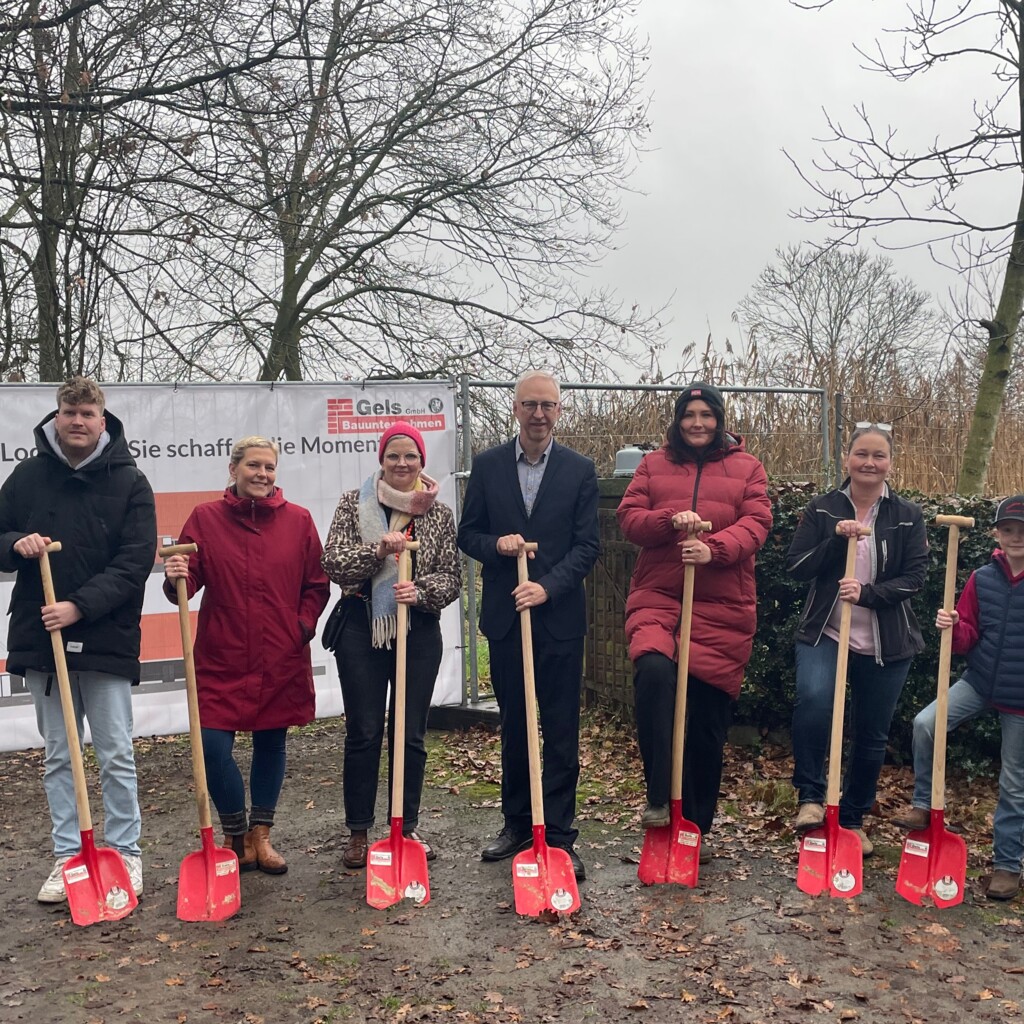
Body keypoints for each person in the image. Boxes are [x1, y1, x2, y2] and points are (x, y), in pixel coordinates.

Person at [0, 376, 156, 903]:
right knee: (60, 756)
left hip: (104, 636)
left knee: (114, 752)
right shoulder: (27, 476)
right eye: (70, 412)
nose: (78, 421)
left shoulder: (131, 482)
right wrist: (15, 543)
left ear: (102, 418)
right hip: (43, 638)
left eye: (88, 413)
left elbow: (135, 561)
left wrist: (79, 606)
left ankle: (126, 854)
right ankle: (68, 858)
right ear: (57, 415)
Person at [457, 371, 600, 882]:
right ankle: (517, 823)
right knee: (515, 725)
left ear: (559, 411)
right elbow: (467, 533)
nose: (538, 414)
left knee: (561, 729)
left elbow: (588, 546)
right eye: (529, 405)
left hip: (559, 619)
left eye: (548, 405)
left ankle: (558, 835)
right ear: (515, 408)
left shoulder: (580, 470)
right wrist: (496, 545)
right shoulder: (489, 465)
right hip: (505, 619)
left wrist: (548, 587)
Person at [617, 382, 772, 853]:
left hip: (723, 604)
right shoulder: (653, 464)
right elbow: (629, 518)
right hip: (659, 595)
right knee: (654, 671)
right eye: (689, 414)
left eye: (706, 414)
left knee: (706, 723)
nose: (698, 423)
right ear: (678, 420)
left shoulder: (748, 467)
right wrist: (669, 520)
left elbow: (758, 521)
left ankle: (697, 828)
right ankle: (659, 794)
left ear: (719, 419)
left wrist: (714, 548)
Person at [163, 436, 329, 874]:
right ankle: (235, 833)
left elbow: (316, 584)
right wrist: (176, 576)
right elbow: (186, 581)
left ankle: (262, 834)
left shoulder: (298, 521)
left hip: (280, 652)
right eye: (253, 466)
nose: (262, 474)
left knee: (271, 742)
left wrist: (301, 627)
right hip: (223, 652)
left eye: (270, 468)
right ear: (233, 469)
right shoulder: (205, 518)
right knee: (213, 747)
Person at [320, 421, 460, 869]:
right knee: (363, 731)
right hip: (362, 629)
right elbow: (334, 562)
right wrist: (377, 553)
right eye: (393, 456)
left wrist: (419, 590)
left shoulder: (437, 513)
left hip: (417, 630)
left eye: (411, 456)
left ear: (422, 461)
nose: (402, 463)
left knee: (410, 733)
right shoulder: (351, 504)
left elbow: (451, 577)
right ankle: (358, 831)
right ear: (381, 461)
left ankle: (405, 823)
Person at [787, 422, 928, 856]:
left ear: (889, 463)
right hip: (826, 630)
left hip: (887, 641)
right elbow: (797, 567)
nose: (869, 462)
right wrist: (834, 539)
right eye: (861, 454)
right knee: (814, 700)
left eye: (878, 455)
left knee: (872, 732)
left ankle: (852, 817)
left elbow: (916, 576)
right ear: (847, 459)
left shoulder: (907, 514)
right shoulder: (823, 509)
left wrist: (868, 594)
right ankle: (811, 797)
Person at [895, 495, 1024, 901]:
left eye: (1023, 531)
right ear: (996, 534)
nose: (1016, 537)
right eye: (1009, 530)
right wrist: (952, 625)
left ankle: (1007, 865)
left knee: (1014, 782)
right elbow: (967, 639)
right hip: (981, 680)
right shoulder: (981, 578)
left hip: (1021, 697)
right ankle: (922, 802)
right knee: (926, 723)